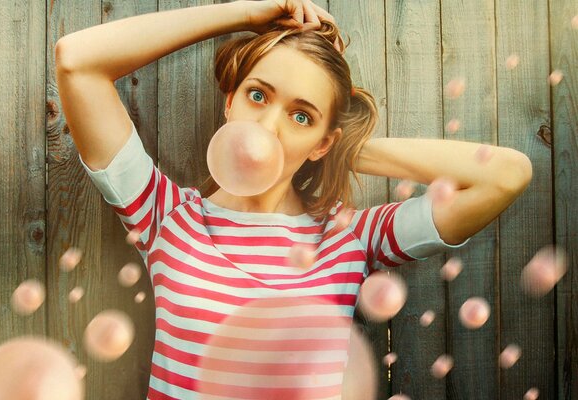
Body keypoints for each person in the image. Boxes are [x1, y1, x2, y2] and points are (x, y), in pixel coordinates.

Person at [55, 1, 533, 399]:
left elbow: (506, 174)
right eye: (257, 95)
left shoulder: (351, 238)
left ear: (324, 142)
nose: (267, 127)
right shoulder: (165, 217)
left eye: (301, 117)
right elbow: (77, 59)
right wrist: (244, 13)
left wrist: (343, 150)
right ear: (230, 101)